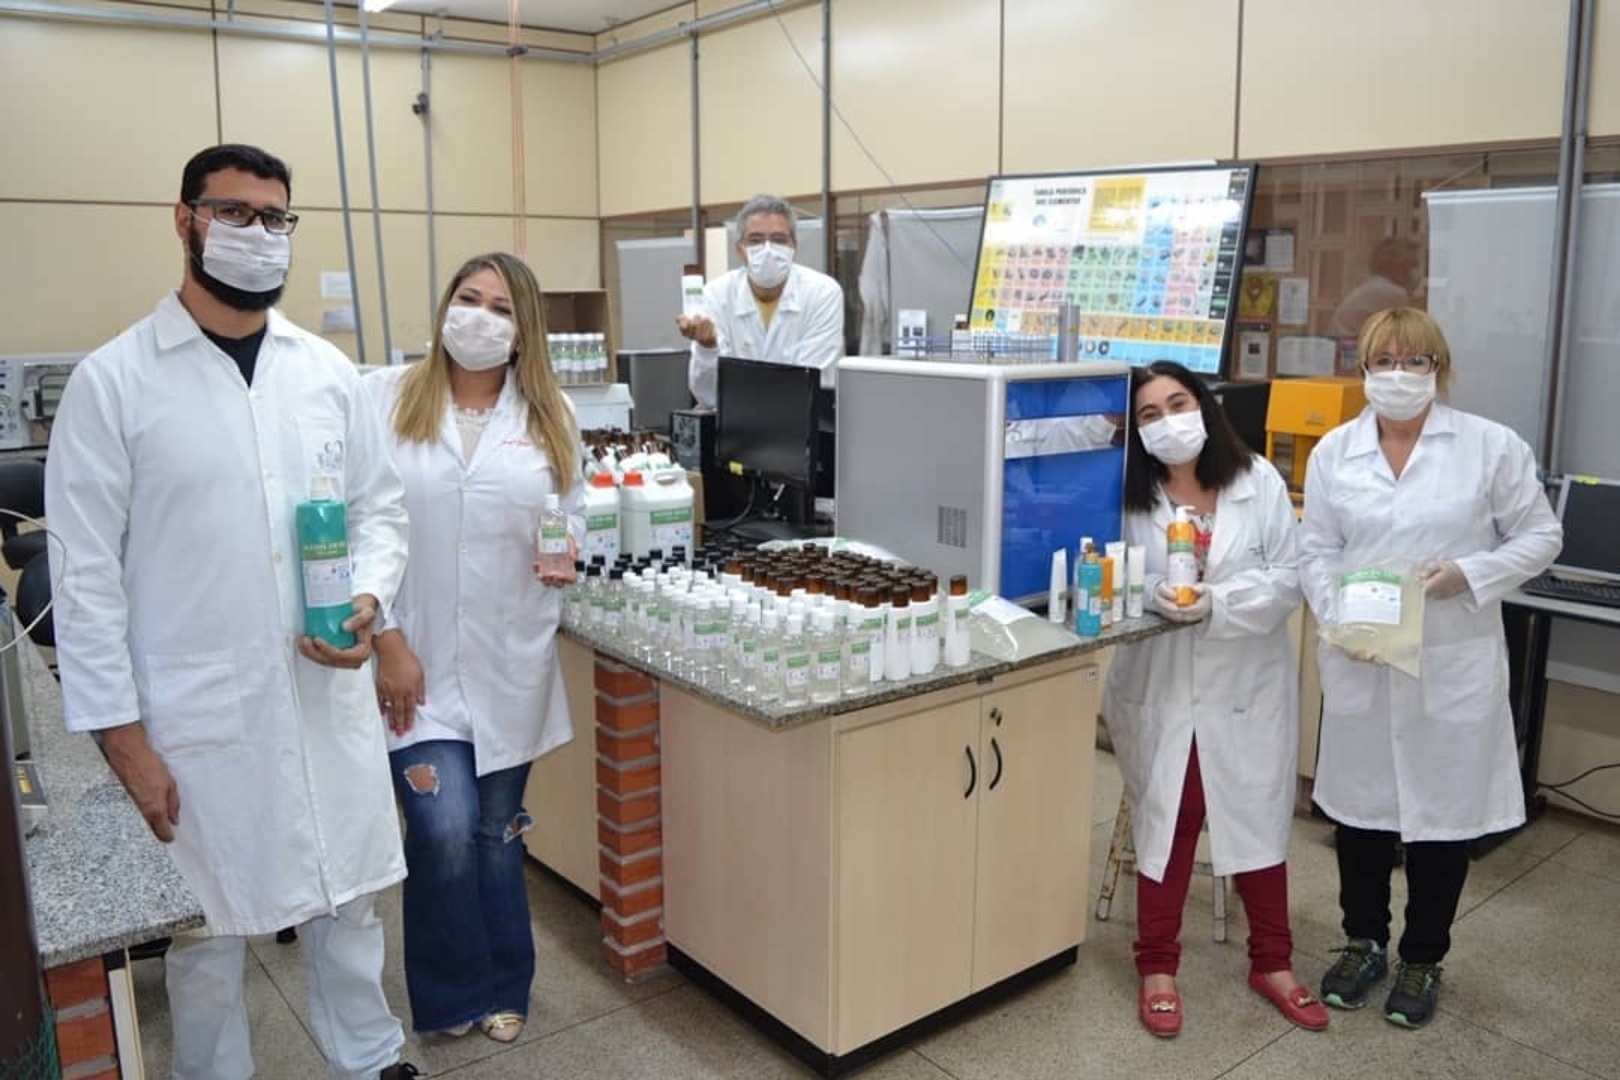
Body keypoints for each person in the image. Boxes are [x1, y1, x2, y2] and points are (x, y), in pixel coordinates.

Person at [46, 144, 419, 1080]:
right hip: (196, 712)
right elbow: (84, 580)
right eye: (235, 213)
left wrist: (370, 598)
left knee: (349, 903)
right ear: (186, 221)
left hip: (322, 691)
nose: (259, 233)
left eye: (275, 217)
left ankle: (372, 1059)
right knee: (204, 935)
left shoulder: (326, 373)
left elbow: (380, 510)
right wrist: (123, 741)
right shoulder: (115, 382)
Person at [1299, 307, 1562, 1029]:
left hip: (1450, 659)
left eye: (1415, 361)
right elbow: (1316, 549)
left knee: (1441, 819)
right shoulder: (1335, 452)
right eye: (1384, 361)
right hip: (1363, 658)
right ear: (1363, 370)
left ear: (1439, 370)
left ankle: (1422, 958)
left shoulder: (1489, 446)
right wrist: (1337, 614)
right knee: (1360, 816)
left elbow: (1542, 534)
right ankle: (1363, 943)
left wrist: (1469, 574)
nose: (1399, 374)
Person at [364, 253, 582, 1044]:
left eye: (501, 308)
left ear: (524, 331)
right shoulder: (387, 399)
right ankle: (451, 992)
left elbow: (573, 512)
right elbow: (362, 526)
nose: (480, 318)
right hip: (412, 662)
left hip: (508, 663)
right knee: (442, 829)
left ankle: (505, 984)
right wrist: (386, 638)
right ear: (445, 307)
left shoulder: (550, 414)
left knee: (495, 833)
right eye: (469, 299)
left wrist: (566, 546)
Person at [1103, 360, 1327, 1038]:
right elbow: (1105, 571)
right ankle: (1157, 967)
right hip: (1161, 683)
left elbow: (1288, 577)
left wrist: (1216, 603)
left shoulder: (1257, 481)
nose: (1168, 421)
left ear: (1203, 404)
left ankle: (1274, 963)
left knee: (1256, 814)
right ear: (1135, 429)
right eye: (1149, 414)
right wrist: (1154, 594)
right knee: (1170, 817)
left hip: (1246, 683)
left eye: (1178, 403)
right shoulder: (1124, 492)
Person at [676, 193, 846, 409]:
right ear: (740, 249)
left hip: (801, 424)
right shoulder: (716, 295)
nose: (768, 251)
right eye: (755, 240)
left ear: (794, 246)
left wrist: (741, 391)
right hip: (733, 426)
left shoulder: (822, 293)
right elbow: (708, 396)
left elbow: (813, 383)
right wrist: (707, 348)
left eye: (778, 240)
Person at [1329, 236, 1422, 339]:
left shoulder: (1375, 284)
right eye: (1412, 265)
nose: (1415, 273)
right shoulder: (1394, 293)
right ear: (1400, 267)